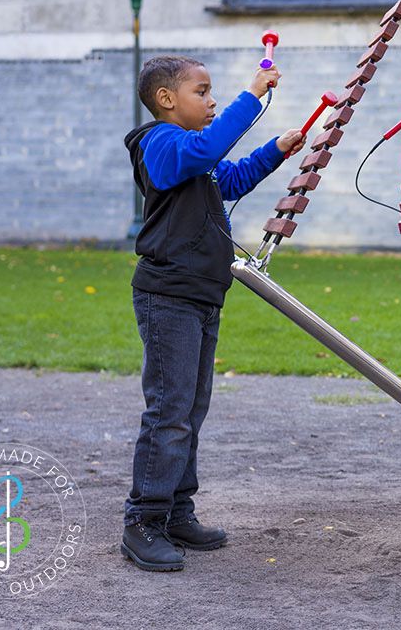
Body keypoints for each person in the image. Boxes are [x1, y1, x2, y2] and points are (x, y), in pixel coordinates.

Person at [120, 55, 305, 571]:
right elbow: (205, 148)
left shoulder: (195, 165)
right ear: (166, 100)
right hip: (168, 296)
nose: (212, 100)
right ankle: (143, 522)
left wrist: (275, 150)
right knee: (169, 413)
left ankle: (178, 511)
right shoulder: (159, 144)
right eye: (202, 92)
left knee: (189, 412)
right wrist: (252, 95)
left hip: (201, 296)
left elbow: (231, 178)